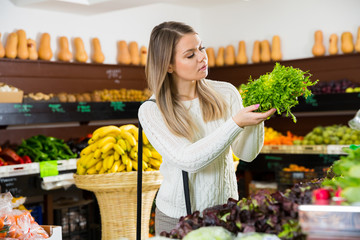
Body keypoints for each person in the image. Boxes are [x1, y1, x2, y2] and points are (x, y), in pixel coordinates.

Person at [138, 21, 276, 235]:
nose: (202, 57)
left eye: (201, 48)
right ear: (168, 65)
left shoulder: (227, 93)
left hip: (226, 213)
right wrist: (235, 123)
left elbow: (247, 155)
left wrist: (257, 118)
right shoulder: (152, 110)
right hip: (178, 218)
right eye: (190, 54)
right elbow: (188, 159)